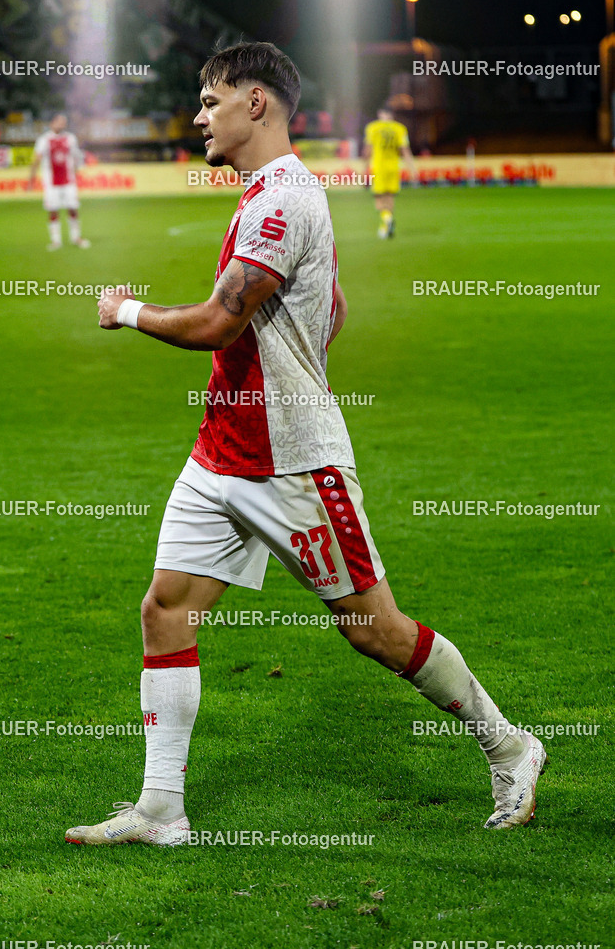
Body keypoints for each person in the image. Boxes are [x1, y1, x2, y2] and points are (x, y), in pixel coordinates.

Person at [65, 42, 545, 847]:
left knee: (373, 631)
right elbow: (337, 307)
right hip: (221, 451)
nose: (199, 117)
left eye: (211, 101)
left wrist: (128, 313)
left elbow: (218, 320)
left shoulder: (283, 200)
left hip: (292, 460)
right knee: (166, 610)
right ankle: (160, 809)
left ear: (257, 103)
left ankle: (508, 744)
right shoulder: (271, 194)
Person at [28, 113, 90, 250]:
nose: (62, 124)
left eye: (64, 122)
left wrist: (77, 172)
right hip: (51, 183)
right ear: (52, 123)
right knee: (53, 210)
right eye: (59, 122)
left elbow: (76, 157)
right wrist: (31, 179)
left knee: (73, 208)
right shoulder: (44, 140)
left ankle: (76, 238)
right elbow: (36, 159)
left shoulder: (70, 138)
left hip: (68, 181)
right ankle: (56, 241)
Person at [363, 105, 415, 238]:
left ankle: (387, 220)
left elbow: (368, 150)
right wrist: (412, 168)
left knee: (379, 198)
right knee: (390, 197)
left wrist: (365, 168)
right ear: (392, 115)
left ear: (380, 113)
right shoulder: (400, 128)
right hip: (393, 167)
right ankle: (385, 227)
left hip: (379, 167)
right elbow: (405, 150)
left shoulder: (373, 127)